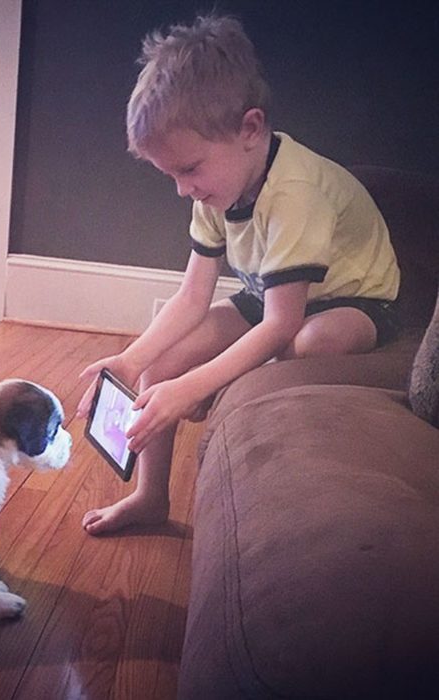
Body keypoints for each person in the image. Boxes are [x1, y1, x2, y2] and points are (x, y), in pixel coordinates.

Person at [76, 14, 400, 536]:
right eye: (172, 175)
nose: (184, 189)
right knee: (159, 369)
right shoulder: (214, 190)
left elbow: (282, 325)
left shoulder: (296, 191)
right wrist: (131, 358)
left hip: (352, 301)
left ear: (250, 129)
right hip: (268, 294)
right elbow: (191, 296)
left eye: (190, 169)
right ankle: (149, 498)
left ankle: (233, 383)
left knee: (313, 339)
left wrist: (201, 383)